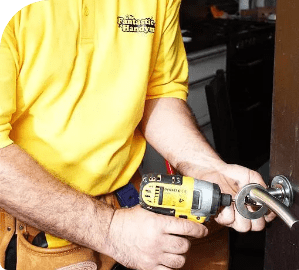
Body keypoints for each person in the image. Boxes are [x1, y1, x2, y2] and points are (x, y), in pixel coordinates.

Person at [0, 0, 275, 269]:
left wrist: (206, 167)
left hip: (128, 204)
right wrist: (110, 231)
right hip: (33, 215)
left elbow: (158, 92)